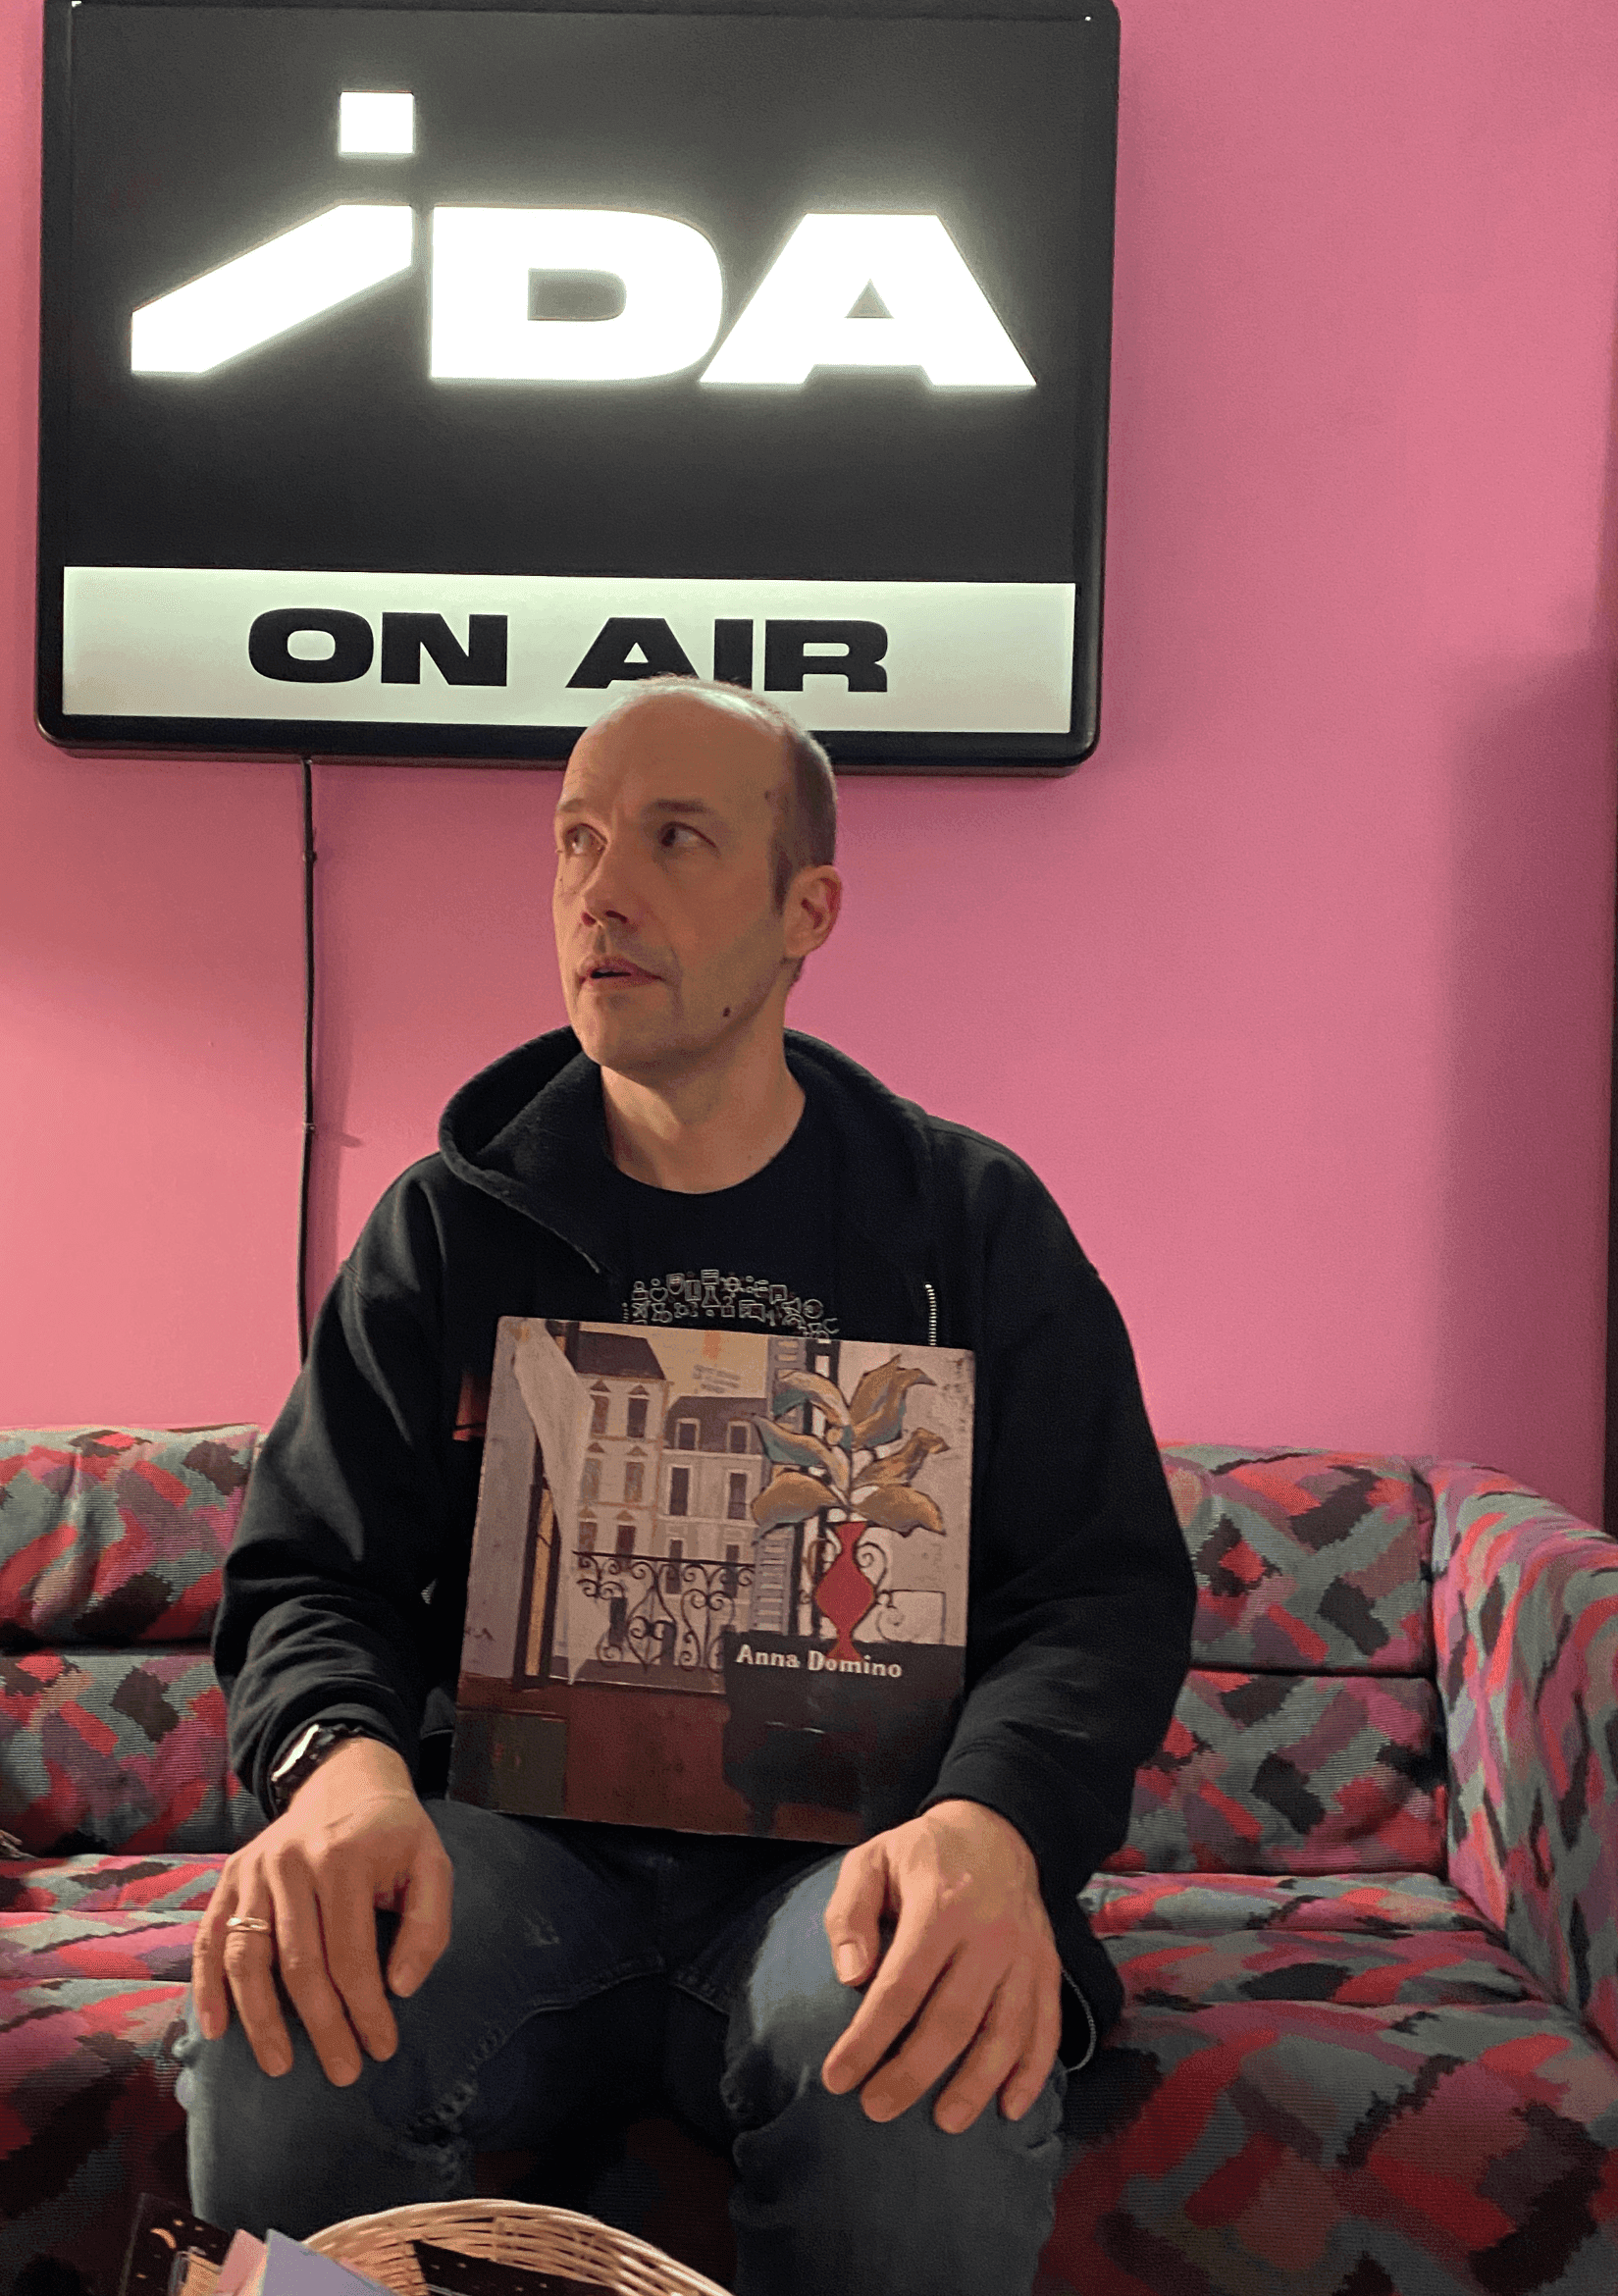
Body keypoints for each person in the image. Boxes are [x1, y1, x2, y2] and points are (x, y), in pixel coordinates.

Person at [174, 680, 1196, 2293]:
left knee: (912, 2061)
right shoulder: (443, 1228)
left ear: (807, 912)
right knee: (289, 1999)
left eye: (675, 839)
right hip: (508, 1862)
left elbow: (1096, 1593)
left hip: (844, 1868)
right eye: (576, 840)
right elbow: (311, 1574)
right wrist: (341, 1775)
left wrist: (994, 1823)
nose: (601, 890)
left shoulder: (970, 1223)